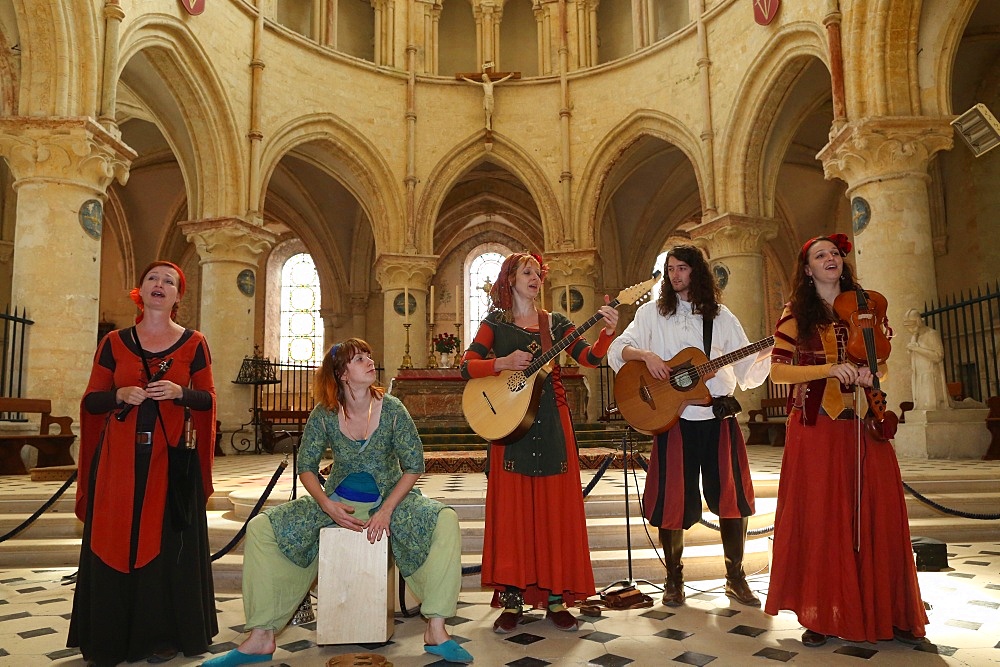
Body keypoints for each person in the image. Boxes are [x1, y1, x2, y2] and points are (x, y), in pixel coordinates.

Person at [204, 338, 471, 667]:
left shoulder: (392, 409)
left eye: (369, 356)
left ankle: (437, 629)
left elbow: (415, 464)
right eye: (360, 358)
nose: (370, 361)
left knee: (444, 520)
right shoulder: (325, 414)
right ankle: (261, 636)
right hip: (335, 500)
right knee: (261, 528)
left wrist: (387, 510)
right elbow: (306, 466)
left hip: (390, 500)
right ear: (342, 374)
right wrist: (327, 506)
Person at [763, 234, 928, 647]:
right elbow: (778, 373)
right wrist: (826, 371)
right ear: (807, 269)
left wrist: (875, 374)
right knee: (822, 517)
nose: (830, 259)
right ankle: (819, 613)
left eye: (834, 253)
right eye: (820, 255)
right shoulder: (795, 313)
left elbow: (882, 365)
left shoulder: (866, 308)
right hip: (818, 426)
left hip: (865, 424)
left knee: (879, 514)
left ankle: (890, 612)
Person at [460, 252, 619, 633]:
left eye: (538, 273)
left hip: (552, 421)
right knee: (512, 510)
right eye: (526, 272)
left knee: (554, 508)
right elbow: (467, 365)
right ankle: (512, 601)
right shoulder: (495, 323)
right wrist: (500, 363)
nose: (535, 278)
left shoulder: (556, 323)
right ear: (510, 279)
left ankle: (556, 598)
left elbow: (589, 358)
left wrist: (607, 332)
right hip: (509, 426)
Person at [69, 261, 218, 666]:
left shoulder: (194, 343)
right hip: (117, 463)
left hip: (168, 466)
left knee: (165, 550)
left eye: (168, 281)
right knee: (114, 542)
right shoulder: (114, 343)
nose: (159, 284)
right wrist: (118, 395)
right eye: (153, 278)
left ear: (177, 297)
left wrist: (180, 391)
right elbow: (91, 401)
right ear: (140, 290)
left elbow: (207, 400)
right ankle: (108, 637)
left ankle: (163, 635)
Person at [607, 245, 770, 608]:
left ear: (697, 272)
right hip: (673, 419)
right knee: (672, 502)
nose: (675, 275)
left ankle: (735, 576)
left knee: (732, 499)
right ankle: (673, 578)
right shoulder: (651, 314)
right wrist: (647, 356)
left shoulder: (722, 317)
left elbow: (747, 373)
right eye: (670, 269)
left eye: (682, 268)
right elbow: (617, 350)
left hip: (717, 417)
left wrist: (769, 350)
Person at [902, 307, 952, 410]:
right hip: (918, 375)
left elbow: (938, 356)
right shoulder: (914, 336)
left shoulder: (932, 334)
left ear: (918, 322)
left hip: (930, 374)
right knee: (920, 408)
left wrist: (917, 349)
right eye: (907, 327)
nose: (909, 329)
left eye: (911, 326)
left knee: (930, 407)